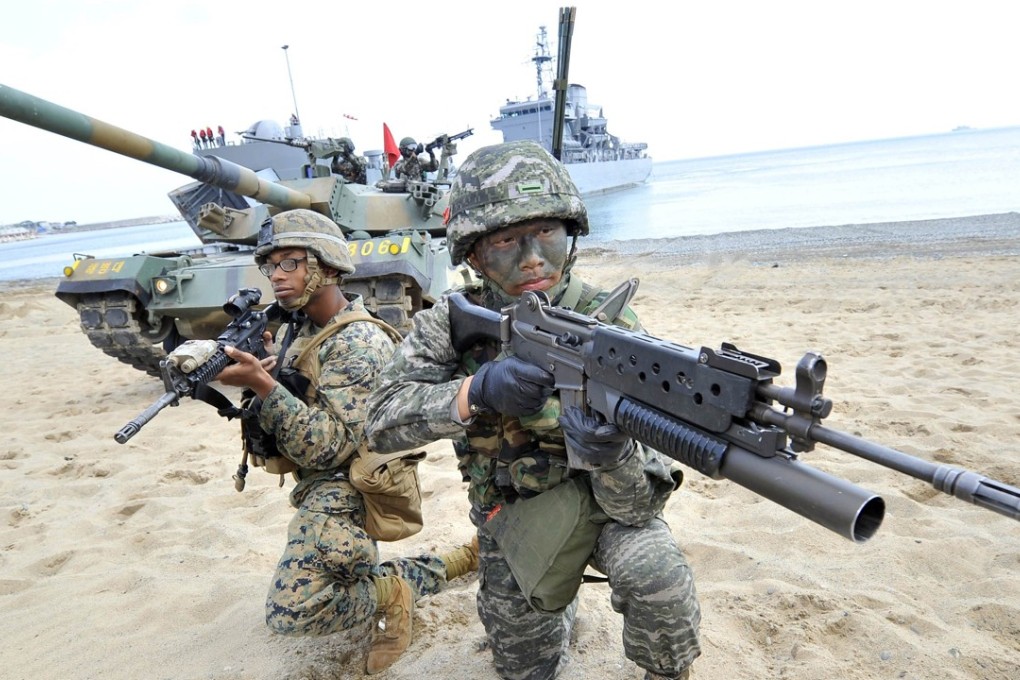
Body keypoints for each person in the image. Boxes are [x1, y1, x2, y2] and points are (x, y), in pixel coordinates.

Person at [364, 141, 702, 680]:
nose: (531, 258)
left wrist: (610, 453)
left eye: (547, 233)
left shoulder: (609, 326)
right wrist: (476, 391)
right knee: (526, 669)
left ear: (572, 236)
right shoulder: (452, 322)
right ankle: (556, 605)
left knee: (657, 575)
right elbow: (380, 423)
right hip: (511, 517)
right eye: (505, 240)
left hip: (605, 510)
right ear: (473, 254)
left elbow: (638, 507)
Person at [216, 208, 478, 675]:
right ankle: (456, 561)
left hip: (351, 485)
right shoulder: (305, 328)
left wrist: (264, 385)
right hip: (323, 481)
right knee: (341, 573)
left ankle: (395, 591)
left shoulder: (357, 341)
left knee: (293, 611)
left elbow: (330, 445)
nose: (276, 275)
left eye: (290, 263)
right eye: (271, 265)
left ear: (328, 267)